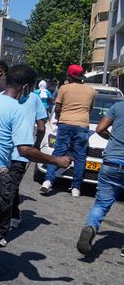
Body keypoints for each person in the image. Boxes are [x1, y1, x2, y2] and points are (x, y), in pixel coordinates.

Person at [0, 65, 70, 282]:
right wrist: (56, 160)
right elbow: (25, 150)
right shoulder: (18, 110)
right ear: (27, 87)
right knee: (0, 228)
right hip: (0, 175)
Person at [77, 98, 124, 256]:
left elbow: (100, 128)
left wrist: (114, 139)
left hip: (111, 162)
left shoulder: (118, 107)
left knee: (101, 204)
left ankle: (90, 227)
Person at [40, 64, 96, 197]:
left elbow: (58, 107)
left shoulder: (64, 88)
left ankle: (48, 181)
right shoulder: (91, 90)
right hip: (82, 124)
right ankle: (76, 188)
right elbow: (90, 110)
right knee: (80, 156)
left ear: (70, 75)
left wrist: (59, 118)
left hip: (65, 123)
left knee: (58, 152)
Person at [9, 87, 47, 230]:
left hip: (1, 150)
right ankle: (12, 215)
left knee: (5, 187)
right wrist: (36, 145)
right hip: (22, 151)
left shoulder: (1, 96)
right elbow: (41, 127)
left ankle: (7, 217)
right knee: (11, 187)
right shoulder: (35, 98)